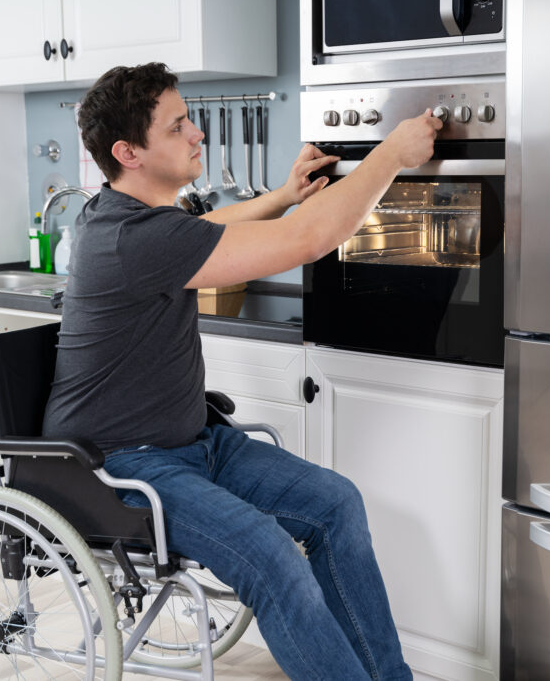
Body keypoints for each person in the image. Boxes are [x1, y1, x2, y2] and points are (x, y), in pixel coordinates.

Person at [43, 62, 440, 680]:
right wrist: (390, 154)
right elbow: (308, 241)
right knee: (273, 558)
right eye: (177, 126)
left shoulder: (127, 219)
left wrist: (280, 197)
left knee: (336, 504)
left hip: (194, 444)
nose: (197, 133)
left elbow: (201, 230)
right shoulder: (132, 239)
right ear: (129, 152)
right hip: (121, 465)